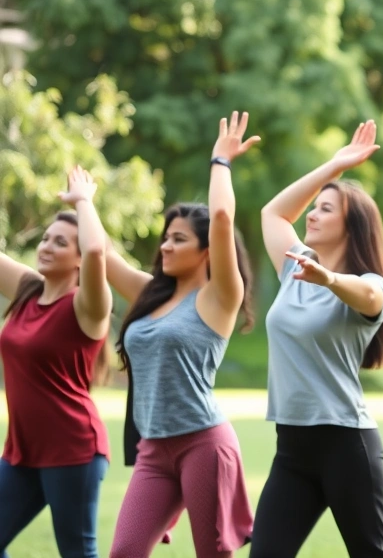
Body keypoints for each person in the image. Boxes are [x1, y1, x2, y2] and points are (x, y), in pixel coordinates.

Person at [106, 111, 259, 558]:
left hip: (203, 444)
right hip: (154, 447)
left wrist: (221, 161)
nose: (165, 247)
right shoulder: (150, 294)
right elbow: (100, 252)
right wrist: (82, 201)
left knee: (212, 553)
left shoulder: (219, 297)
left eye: (177, 239)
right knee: (125, 551)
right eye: (164, 239)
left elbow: (224, 220)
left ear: (206, 250)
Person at [249, 119, 383, 558]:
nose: (311, 214)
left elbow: (370, 295)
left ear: (352, 226)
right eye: (314, 207)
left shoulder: (368, 284)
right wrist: (333, 166)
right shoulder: (294, 269)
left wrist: (329, 278)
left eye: (326, 209)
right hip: (291, 447)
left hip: (345, 446)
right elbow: (273, 213)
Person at [0, 167, 112, 558]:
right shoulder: (28, 291)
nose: (46, 246)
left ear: (80, 259)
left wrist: (83, 199)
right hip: (22, 450)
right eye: (45, 239)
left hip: (72, 449)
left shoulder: (88, 307)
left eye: (61, 243)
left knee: (77, 552)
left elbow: (98, 250)